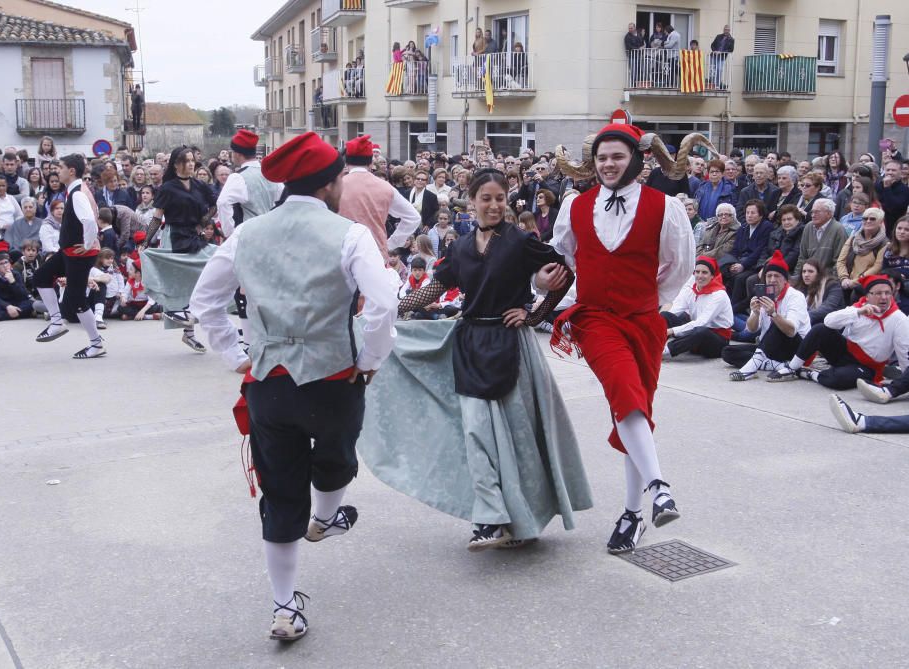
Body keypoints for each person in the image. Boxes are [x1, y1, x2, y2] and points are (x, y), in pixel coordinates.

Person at [189, 131, 397, 643]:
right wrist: (369, 360)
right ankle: (326, 519)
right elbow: (384, 303)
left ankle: (284, 608)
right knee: (337, 461)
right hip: (331, 378)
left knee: (280, 495)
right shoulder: (348, 234)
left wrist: (238, 356)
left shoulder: (246, 234)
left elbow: (204, 303)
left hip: (269, 384)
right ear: (329, 183)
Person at [362, 167, 591, 551]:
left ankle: (518, 519)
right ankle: (490, 517)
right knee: (475, 432)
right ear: (472, 202)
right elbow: (436, 286)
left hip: (511, 346)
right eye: (485, 198)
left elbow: (563, 275)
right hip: (470, 344)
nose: (494, 205)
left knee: (515, 440)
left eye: (500, 198)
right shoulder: (461, 247)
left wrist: (534, 313)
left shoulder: (521, 242)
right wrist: (394, 310)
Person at [551, 123, 701, 553]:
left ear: (636, 160)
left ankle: (633, 513)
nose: (608, 164)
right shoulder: (575, 207)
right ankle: (660, 488)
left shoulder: (665, 206)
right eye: (601, 158)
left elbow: (679, 264)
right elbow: (561, 255)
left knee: (636, 407)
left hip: (643, 320)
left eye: (616, 156)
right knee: (623, 389)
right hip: (594, 318)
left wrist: (647, 297)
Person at [768, 275, 909, 387]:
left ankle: (809, 374)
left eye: (887, 293)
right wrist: (858, 312)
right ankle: (792, 368)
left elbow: (904, 352)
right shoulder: (858, 308)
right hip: (845, 352)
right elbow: (829, 321)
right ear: (868, 296)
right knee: (820, 330)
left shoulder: (898, 319)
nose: (884, 297)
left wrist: (905, 382)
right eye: (878, 293)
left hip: (867, 367)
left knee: (838, 379)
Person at [142, 146, 217, 352]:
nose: (191, 164)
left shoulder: (199, 185)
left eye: (193, 160)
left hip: (194, 236)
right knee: (182, 284)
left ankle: (189, 326)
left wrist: (202, 222)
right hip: (175, 237)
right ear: (176, 164)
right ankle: (188, 330)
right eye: (186, 160)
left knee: (207, 272)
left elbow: (214, 205)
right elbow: (157, 217)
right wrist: (146, 241)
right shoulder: (168, 188)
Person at [31, 154, 105, 359]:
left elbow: (90, 221)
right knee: (41, 276)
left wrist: (88, 243)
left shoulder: (78, 194)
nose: (57, 171)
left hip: (79, 254)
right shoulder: (76, 191)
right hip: (70, 252)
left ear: (71, 171)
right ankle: (56, 322)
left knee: (76, 299)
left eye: (61, 167)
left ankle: (96, 343)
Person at [723, 250, 811, 380]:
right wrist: (756, 313)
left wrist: (773, 314)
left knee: (777, 323)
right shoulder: (763, 292)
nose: (772, 280)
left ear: (785, 279)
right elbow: (752, 329)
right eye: (769, 276)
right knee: (727, 352)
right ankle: (781, 367)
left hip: (795, 348)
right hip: (768, 347)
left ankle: (751, 368)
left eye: (777, 276)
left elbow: (791, 331)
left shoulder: (795, 296)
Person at [338, 135, 420, 256]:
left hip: (343, 253)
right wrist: (391, 243)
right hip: (375, 253)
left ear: (347, 162)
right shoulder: (385, 187)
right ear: (371, 163)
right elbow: (413, 217)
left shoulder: (336, 186)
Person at [661, 255, 734, 359]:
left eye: (704, 272)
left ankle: (666, 351)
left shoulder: (719, 295)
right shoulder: (691, 291)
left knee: (700, 331)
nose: (700, 276)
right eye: (697, 272)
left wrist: (672, 330)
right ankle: (653, 347)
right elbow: (675, 311)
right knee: (665, 315)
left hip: (715, 343)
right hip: (696, 334)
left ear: (712, 276)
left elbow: (701, 322)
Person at [216, 129, 283, 238]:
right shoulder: (271, 173)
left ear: (237, 154)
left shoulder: (238, 177)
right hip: (273, 235)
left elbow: (223, 203)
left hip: (249, 236)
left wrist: (230, 233)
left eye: (232, 152)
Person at [835, 207, 887, 296]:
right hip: (846, 281)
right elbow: (841, 261)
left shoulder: (884, 243)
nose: (868, 221)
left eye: (872, 219)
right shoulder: (853, 239)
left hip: (868, 284)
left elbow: (877, 267)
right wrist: (844, 278)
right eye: (865, 218)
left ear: (880, 222)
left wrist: (855, 282)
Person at [795, 199, 847, 277]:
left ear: (829, 214)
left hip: (827, 279)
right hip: (808, 277)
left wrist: (830, 282)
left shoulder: (838, 230)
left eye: (817, 212)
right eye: (812, 212)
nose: (813, 215)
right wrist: (797, 277)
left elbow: (839, 262)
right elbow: (802, 257)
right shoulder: (808, 227)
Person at [0, 243, 35, 321]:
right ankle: (18, 314)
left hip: (16, 302)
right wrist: (7, 306)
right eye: (1, 264)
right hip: (2, 304)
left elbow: (23, 295)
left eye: (6, 262)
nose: (5, 266)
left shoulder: (15, 274)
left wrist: (13, 282)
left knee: (30, 304)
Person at [795, 258, 844, 325]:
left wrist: (802, 317)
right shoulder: (801, 288)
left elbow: (827, 308)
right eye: (804, 271)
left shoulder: (832, 286)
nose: (806, 275)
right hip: (809, 322)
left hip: (831, 326)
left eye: (810, 271)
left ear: (819, 273)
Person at [877, 160, 909, 233]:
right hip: (877, 226)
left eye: (893, 170)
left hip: (892, 228)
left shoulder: (905, 190)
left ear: (900, 172)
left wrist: (887, 188)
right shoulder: (878, 185)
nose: (890, 172)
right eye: (888, 170)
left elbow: (892, 208)